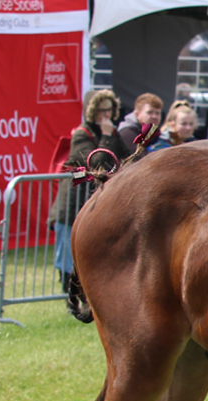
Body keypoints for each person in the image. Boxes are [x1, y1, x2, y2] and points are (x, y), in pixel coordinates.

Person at [49, 89, 131, 293]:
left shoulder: (113, 134)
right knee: (68, 258)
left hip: (96, 205)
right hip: (72, 205)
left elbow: (128, 158)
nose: (106, 115)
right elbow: (96, 162)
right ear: (92, 111)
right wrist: (105, 136)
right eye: (101, 110)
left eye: (109, 110)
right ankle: (69, 296)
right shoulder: (82, 134)